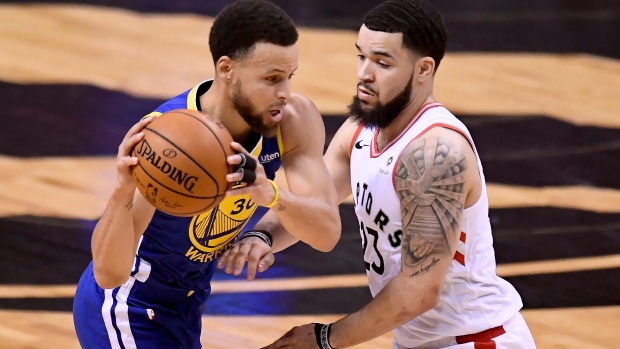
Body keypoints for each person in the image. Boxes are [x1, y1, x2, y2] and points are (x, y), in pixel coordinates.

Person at [220, 0, 537, 348]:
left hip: (474, 340)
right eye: (362, 56)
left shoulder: (434, 153)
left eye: (382, 62)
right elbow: (314, 205)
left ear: (423, 69)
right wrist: (262, 237)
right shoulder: (361, 130)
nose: (364, 74)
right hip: (418, 339)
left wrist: (326, 339)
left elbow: (419, 290)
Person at [72, 1, 341, 348]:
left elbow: (326, 231)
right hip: (127, 307)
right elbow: (108, 274)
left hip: (187, 303)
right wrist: (122, 192)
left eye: (290, 77)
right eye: (271, 79)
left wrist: (268, 204)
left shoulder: (292, 119)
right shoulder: (165, 139)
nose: (285, 93)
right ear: (227, 68)